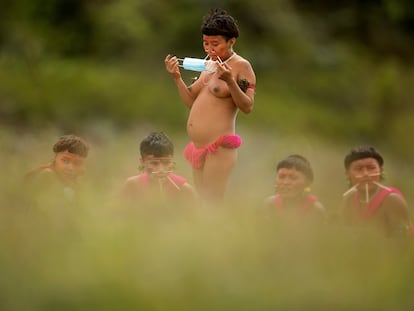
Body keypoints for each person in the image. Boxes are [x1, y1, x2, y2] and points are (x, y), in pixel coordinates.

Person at [164, 9, 256, 203]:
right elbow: (191, 101)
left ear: (231, 41)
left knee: (212, 201)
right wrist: (177, 78)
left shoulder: (241, 66)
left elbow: (247, 106)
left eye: (216, 44)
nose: (209, 49)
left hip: (219, 147)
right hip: (198, 147)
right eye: (206, 43)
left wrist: (230, 81)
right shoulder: (209, 66)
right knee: (201, 202)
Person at [340, 146, 413, 237]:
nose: (366, 174)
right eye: (358, 169)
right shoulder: (349, 199)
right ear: (348, 174)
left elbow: (404, 242)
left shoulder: (392, 200)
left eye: (371, 168)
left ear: (381, 171)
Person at [120, 132, 197, 207]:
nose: (161, 170)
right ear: (142, 162)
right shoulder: (132, 186)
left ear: (172, 161)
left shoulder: (184, 190)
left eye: (166, 162)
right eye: (154, 163)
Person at [25, 134, 90, 205]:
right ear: (55, 159)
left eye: (77, 163)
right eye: (65, 161)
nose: (70, 168)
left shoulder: (77, 185)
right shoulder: (47, 175)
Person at [264, 154, 325, 220]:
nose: (285, 182)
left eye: (293, 178)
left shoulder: (315, 209)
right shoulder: (270, 205)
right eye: (281, 177)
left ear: (307, 183)